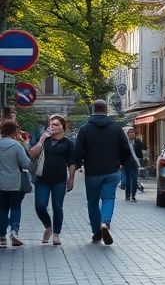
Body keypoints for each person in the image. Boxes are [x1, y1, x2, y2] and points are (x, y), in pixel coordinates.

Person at [75, 98, 132, 245]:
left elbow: (78, 150)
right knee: (108, 199)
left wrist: (78, 164)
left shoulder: (85, 128)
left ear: (94, 110)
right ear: (106, 110)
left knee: (93, 202)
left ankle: (96, 232)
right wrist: (121, 162)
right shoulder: (116, 128)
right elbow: (125, 149)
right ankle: (105, 222)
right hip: (112, 171)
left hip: (92, 172)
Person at [30, 115, 77, 246]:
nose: (52, 126)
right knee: (40, 205)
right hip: (42, 179)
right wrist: (41, 140)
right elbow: (32, 154)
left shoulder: (68, 143)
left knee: (57, 207)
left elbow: (71, 162)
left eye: (56, 124)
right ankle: (48, 227)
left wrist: (71, 178)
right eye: (51, 124)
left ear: (63, 127)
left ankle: (56, 234)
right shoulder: (45, 140)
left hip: (59, 180)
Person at [0, 118, 32, 248]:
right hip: (15, 182)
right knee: (15, 207)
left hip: (0, 183)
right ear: (14, 131)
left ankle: (1, 238)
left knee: (2, 209)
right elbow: (26, 164)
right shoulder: (17, 146)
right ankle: (14, 232)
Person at [122, 126, 141, 202]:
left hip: (134, 164)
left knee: (134, 180)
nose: (132, 134)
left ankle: (133, 195)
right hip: (126, 164)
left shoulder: (137, 143)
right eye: (130, 132)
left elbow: (140, 154)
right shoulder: (125, 143)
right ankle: (127, 195)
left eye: (133, 132)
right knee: (127, 180)